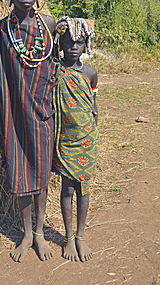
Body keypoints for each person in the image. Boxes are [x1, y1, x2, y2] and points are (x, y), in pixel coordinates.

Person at [0, 0, 56, 262]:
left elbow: (63, 67)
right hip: (13, 119)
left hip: (44, 117)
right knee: (22, 175)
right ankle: (26, 233)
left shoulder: (49, 26)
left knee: (41, 177)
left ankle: (40, 233)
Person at [52, 16, 99, 262]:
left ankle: (81, 236)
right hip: (64, 141)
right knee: (67, 189)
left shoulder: (90, 73)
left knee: (84, 189)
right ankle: (68, 238)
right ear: (60, 43)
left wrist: (94, 135)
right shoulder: (54, 70)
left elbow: (94, 108)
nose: (73, 46)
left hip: (87, 140)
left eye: (79, 42)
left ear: (86, 45)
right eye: (68, 41)